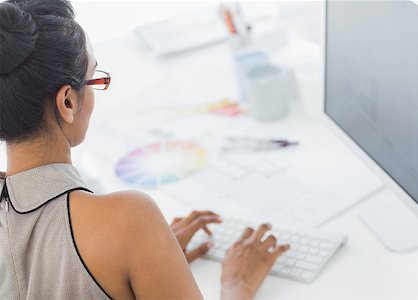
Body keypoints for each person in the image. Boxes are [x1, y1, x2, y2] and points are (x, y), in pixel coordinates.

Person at [0, 0, 290, 299]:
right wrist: (237, 286)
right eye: (95, 79)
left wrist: (148, 257)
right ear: (68, 103)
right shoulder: (129, 220)